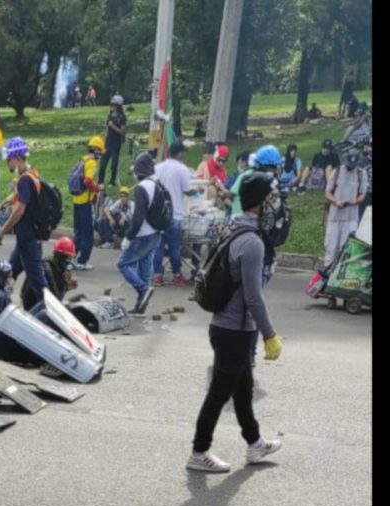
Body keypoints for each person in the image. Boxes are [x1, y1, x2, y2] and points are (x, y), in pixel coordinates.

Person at [187, 172, 284, 473]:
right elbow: (253, 297)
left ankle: (255, 444)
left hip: (228, 327)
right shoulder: (251, 243)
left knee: (243, 389)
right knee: (219, 393)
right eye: (271, 199)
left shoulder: (234, 227)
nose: (275, 205)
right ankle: (199, 452)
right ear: (258, 203)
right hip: (233, 331)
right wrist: (269, 333)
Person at [0, 136, 47, 307]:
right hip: (25, 239)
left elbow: (20, 210)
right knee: (6, 274)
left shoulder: (25, 180)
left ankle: (53, 317)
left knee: (39, 285)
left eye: (9, 160)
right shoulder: (33, 174)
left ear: (18, 158)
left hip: (28, 239)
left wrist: (2, 230)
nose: (7, 164)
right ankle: (1, 307)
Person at [118, 153, 163, 314]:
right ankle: (140, 306)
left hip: (143, 234)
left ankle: (143, 290)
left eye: (135, 172)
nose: (134, 176)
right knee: (144, 267)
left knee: (123, 263)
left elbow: (138, 218)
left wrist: (128, 237)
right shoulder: (157, 182)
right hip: (156, 233)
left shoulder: (143, 187)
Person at [152, 140, 195, 286]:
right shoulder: (182, 169)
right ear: (180, 154)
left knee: (158, 246)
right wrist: (197, 191)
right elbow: (188, 190)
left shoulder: (157, 167)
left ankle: (157, 275)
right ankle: (177, 274)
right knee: (174, 247)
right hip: (175, 213)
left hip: (159, 213)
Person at [323, 148, 367, 268]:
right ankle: (327, 270)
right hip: (335, 216)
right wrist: (335, 201)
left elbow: (363, 194)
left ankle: (341, 273)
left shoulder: (361, 174)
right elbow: (327, 193)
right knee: (330, 247)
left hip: (351, 217)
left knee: (346, 248)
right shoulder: (337, 172)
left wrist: (356, 200)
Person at [72, 136, 105, 270]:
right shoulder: (92, 163)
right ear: (97, 151)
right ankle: (83, 260)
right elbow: (87, 181)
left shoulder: (83, 159)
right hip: (85, 201)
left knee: (78, 232)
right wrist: (98, 187)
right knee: (88, 234)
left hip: (76, 200)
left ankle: (71, 258)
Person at [21, 237, 78, 312]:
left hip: (35, 305)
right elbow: (55, 300)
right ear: (63, 257)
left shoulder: (51, 265)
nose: (70, 262)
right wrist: (66, 286)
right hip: (35, 309)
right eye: (69, 258)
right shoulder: (49, 271)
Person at [99, 95, 127, 186]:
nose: (112, 106)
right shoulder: (110, 115)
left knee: (113, 165)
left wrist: (113, 126)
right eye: (112, 104)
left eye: (114, 105)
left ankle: (112, 181)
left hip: (116, 143)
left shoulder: (122, 117)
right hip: (107, 142)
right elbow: (108, 128)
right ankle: (100, 181)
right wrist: (103, 136)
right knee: (102, 164)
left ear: (118, 106)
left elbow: (123, 132)